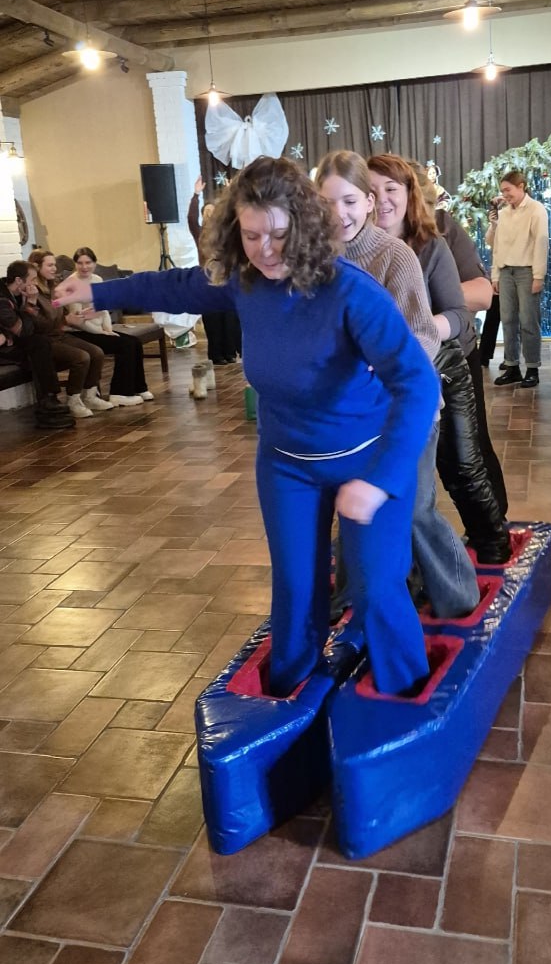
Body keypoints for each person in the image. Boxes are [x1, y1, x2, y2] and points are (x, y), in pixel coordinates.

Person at [54, 156, 439, 698]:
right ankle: (289, 695)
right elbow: (179, 286)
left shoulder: (353, 293)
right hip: (287, 465)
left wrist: (379, 482)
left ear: (305, 225)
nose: (266, 250)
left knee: (376, 589)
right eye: (252, 235)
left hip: (366, 461)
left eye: (279, 235)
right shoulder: (246, 282)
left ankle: (406, 696)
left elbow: (418, 385)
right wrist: (99, 292)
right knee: (296, 588)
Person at [316, 149, 479, 618]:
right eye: (327, 203)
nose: (339, 214)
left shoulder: (396, 256)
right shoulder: (316, 257)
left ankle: (458, 592)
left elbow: (423, 336)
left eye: (350, 201)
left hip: (408, 408)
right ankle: (355, 596)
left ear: (367, 203)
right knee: (355, 504)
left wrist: (378, 371)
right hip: (352, 413)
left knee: (412, 506)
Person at [367, 153, 510, 562]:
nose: (382, 200)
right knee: (395, 473)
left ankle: (492, 542)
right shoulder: (352, 247)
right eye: (372, 191)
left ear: (410, 193)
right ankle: (398, 561)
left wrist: (417, 328)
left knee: (462, 462)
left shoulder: (434, 240)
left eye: (391, 189)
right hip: (383, 376)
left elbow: (465, 309)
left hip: (445, 364)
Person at [413, 161, 507, 515]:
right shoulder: (367, 236)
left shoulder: (444, 229)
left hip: (452, 355)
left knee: (468, 454)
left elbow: (482, 294)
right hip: (400, 362)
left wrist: (418, 298)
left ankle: (495, 527)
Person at [27, 249, 114, 419]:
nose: (54, 269)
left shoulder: (53, 286)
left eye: (54, 265)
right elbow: (39, 323)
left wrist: (76, 316)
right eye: (50, 265)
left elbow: (62, 314)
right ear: (37, 267)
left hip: (59, 333)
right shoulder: (33, 292)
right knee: (81, 357)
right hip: (45, 339)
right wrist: (66, 320)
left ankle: (90, 397)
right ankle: (73, 400)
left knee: (97, 352)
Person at [67, 248, 154, 406]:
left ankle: (139, 387)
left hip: (99, 330)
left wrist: (108, 330)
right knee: (125, 345)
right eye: (80, 263)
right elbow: (78, 320)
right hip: (81, 332)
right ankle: (120, 393)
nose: (84, 267)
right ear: (75, 264)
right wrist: (101, 332)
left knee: (135, 342)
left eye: (88, 263)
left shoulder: (97, 279)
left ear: (94, 263)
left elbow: (104, 310)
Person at [486, 171, 549, 388]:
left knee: (529, 321)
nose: (505, 195)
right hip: (505, 271)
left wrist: (539, 275)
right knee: (508, 320)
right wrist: (495, 275)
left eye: (508, 190)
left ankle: (532, 368)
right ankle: (512, 366)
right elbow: (494, 245)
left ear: (521, 186)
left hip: (526, 271)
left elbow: (541, 243)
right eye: (502, 191)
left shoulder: (536, 209)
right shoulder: (503, 213)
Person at [0, 260, 74, 429]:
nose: (35, 284)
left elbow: (34, 328)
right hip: (4, 348)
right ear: (19, 280)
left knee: (41, 344)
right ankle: (48, 399)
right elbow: (22, 330)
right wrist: (31, 303)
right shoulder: (2, 299)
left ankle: (49, 399)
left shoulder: (17, 294)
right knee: (39, 346)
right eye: (32, 279)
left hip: (11, 342)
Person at [188, 176, 242, 365]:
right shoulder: (199, 233)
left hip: (224, 277)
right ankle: (216, 354)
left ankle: (230, 353)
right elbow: (191, 218)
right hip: (206, 279)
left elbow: (234, 217)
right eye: (206, 211)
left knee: (228, 317)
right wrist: (196, 195)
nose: (210, 214)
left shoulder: (224, 232)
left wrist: (231, 193)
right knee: (212, 319)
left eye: (213, 211)